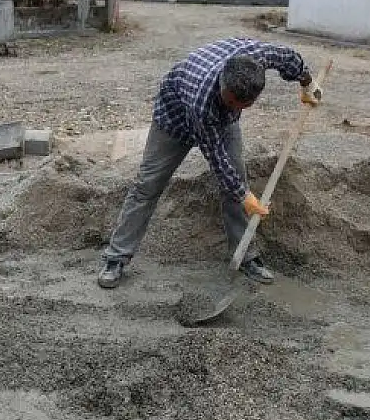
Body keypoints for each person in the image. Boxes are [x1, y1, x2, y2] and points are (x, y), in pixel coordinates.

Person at [97, 38, 321, 289]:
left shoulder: (257, 57)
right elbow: (217, 159)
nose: (236, 108)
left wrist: (307, 83)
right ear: (223, 85)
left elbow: (289, 59)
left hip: (217, 121)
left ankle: (245, 256)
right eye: (231, 102)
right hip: (172, 120)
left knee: (236, 184)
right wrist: (244, 195)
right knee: (147, 186)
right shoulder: (203, 103)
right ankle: (116, 258)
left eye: (243, 106)